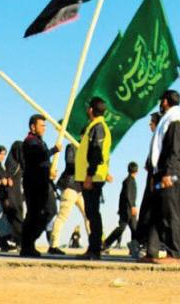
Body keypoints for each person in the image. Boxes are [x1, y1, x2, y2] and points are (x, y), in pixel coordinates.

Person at [145, 90, 180, 263]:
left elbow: (175, 149)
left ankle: (175, 253)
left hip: (170, 175)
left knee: (169, 213)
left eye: (161, 101)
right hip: (160, 173)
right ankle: (152, 251)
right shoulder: (167, 119)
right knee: (156, 213)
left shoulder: (175, 120)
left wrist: (169, 173)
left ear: (165, 101)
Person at [75, 98, 113, 261]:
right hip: (92, 176)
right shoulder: (96, 126)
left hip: (93, 177)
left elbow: (96, 153)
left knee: (93, 214)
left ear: (91, 110)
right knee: (91, 214)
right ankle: (93, 248)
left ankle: (95, 250)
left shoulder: (98, 127)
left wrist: (89, 176)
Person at [21, 114, 59, 257]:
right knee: (34, 214)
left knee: (49, 211)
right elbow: (40, 156)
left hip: (43, 182)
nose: (44, 128)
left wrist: (50, 171)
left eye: (45, 126)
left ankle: (29, 243)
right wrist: (54, 150)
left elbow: (42, 161)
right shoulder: (30, 142)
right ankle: (27, 245)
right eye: (41, 125)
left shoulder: (39, 141)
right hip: (33, 183)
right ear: (33, 127)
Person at [49, 141, 88, 255]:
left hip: (80, 190)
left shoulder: (87, 150)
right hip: (70, 186)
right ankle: (53, 245)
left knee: (89, 216)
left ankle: (94, 245)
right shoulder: (72, 146)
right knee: (62, 216)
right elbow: (70, 163)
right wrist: (83, 164)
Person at [133, 113, 161, 256]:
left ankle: (146, 244)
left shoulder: (160, 138)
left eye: (152, 122)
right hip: (151, 180)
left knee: (151, 213)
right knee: (147, 212)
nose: (150, 125)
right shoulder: (155, 138)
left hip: (155, 181)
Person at [102, 162, 139, 252]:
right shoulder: (130, 181)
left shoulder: (127, 180)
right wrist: (133, 206)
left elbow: (123, 196)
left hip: (126, 208)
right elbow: (128, 195)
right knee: (123, 228)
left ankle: (133, 248)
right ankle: (106, 243)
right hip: (128, 209)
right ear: (136, 171)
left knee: (134, 229)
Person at [4, 140, 25, 244]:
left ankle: (17, 240)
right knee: (16, 216)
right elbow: (7, 180)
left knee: (18, 216)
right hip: (12, 194)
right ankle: (18, 240)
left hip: (17, 194)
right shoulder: (11, 164)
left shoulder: (18, 163)